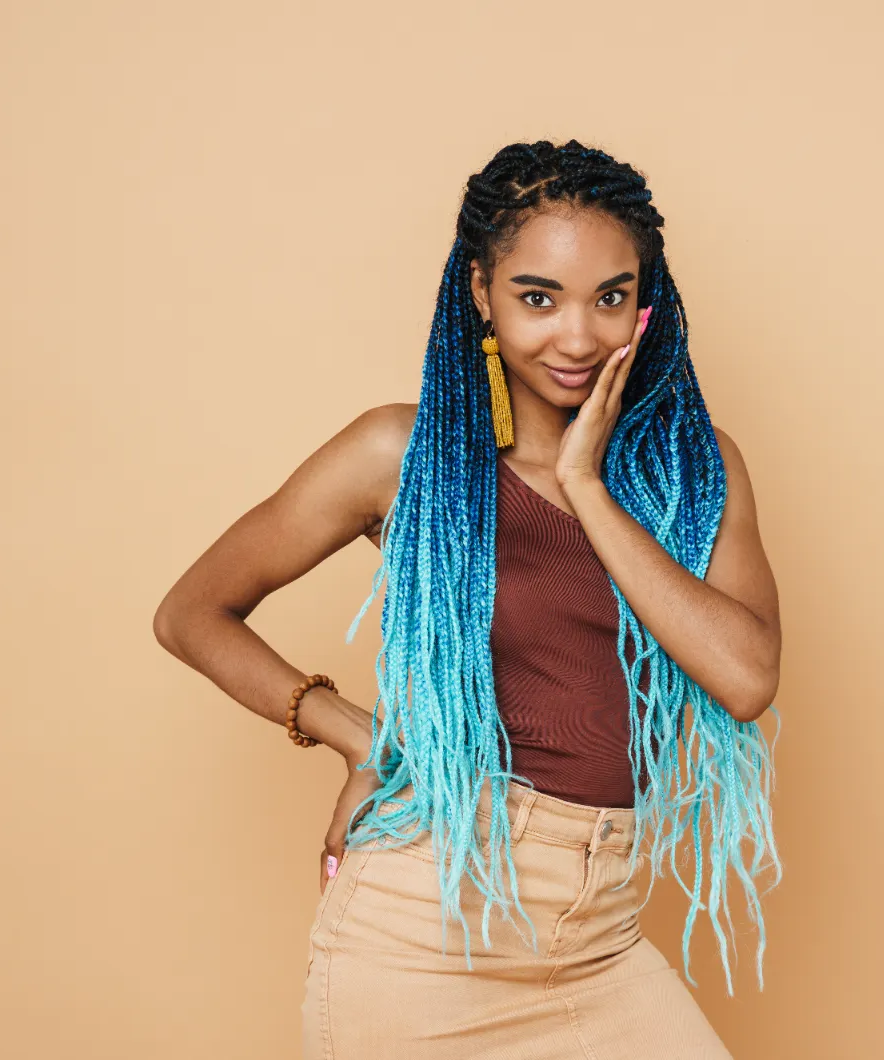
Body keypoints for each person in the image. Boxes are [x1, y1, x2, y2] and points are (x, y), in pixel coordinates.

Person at [153, 139, 783, 1059]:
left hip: (600, 935)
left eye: (611, 297)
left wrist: (587, 486)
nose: (580, 338)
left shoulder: (697, 471)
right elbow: (190, 613)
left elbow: (747, 678)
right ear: (482, 291)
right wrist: (362, 737)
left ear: (645, 301)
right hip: (425, 934)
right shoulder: (403, 458)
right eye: (540, 298)